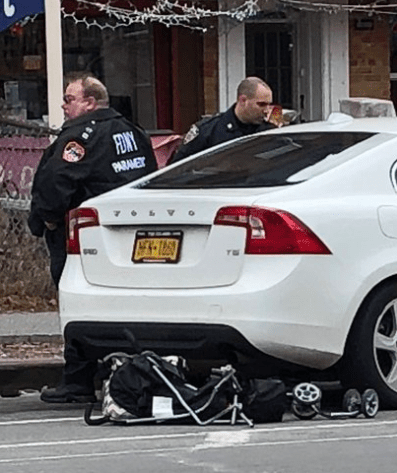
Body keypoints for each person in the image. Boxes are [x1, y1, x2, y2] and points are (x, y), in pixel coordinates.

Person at [28, 73, 158, 403]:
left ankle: (78, 381)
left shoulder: (81, 137)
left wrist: (47, 219)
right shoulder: (133, 132)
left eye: (69, 99)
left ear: (89, 102)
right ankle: (134, 374)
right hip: (134, 237)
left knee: (78, 305)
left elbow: (55, 182)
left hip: (83, 238)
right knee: (128, 307)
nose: (63, 104)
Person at [170, 76, 280, 163]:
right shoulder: (209, 130)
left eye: (268, 105)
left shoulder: (269, 132)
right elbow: (176, 168)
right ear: (243, 100)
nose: (266, 110)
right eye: (261, 104)